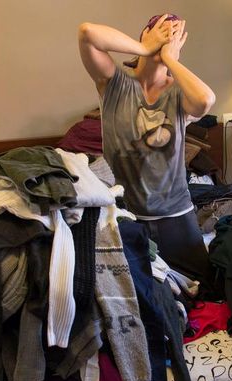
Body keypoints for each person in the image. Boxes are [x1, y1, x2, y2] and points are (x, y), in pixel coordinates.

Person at [78, 14, 218, 295]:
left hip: (175, 214)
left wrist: (172, 60)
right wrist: (144, 48)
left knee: (208, 291)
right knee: (138, 293)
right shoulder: (115, 83)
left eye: (175, 34)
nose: (168, 36)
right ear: (145, 34)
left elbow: (205, 101)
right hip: (127, 215)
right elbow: (87, 32)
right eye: (162, 30)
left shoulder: (179, 93)